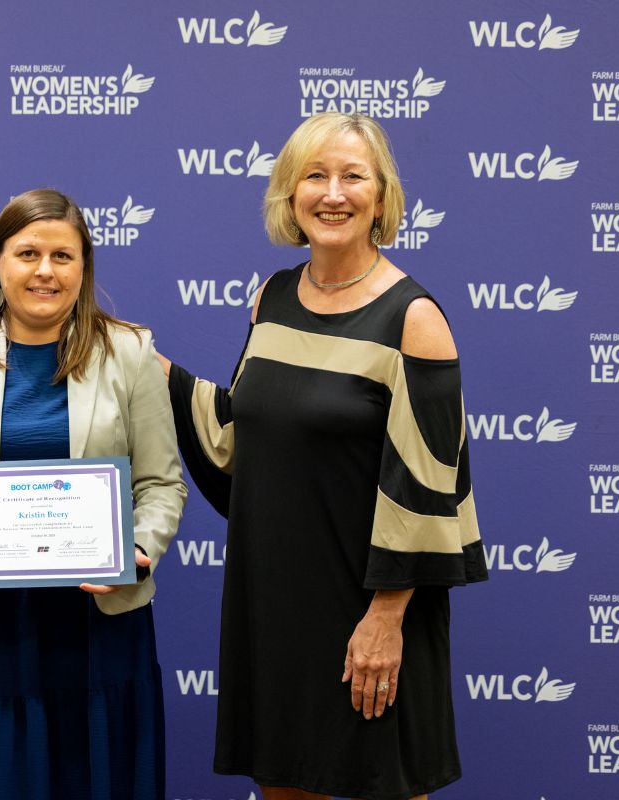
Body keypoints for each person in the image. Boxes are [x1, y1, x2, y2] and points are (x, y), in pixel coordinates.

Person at [159, 112, 488, 800]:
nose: (332, 194)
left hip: (372, 606)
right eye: (315, 176)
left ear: (381, 196)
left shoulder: (414, 318)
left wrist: (386, 616)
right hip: (276, 600)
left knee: (385, 784)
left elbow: (430, 487)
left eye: (352, 177)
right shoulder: (271, 299)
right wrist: (154, 370)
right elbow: (244, 440)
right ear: (290, 193)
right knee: (285, 784)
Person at [0, 188, 186, 800]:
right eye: (28, 252)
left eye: (63, 256)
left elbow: (160, 484)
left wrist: (136, 550)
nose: (45, 271)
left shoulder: (130, 351)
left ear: (84, 268)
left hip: (98, 619)